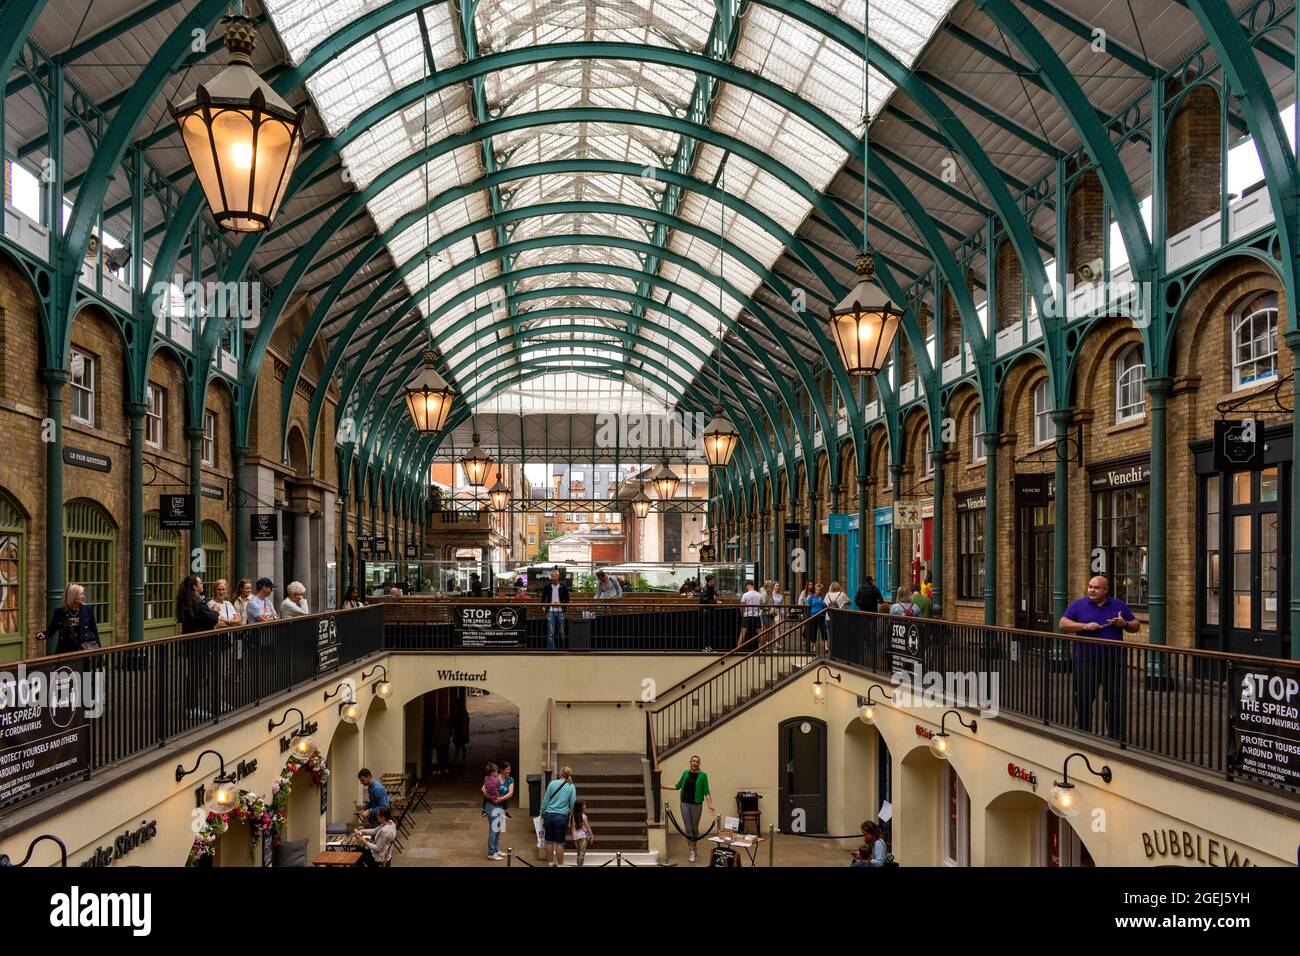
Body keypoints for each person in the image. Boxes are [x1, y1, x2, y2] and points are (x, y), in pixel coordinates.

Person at [1060, 574, 1137, 741]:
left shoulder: (1118, 605)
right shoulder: (1078, 605)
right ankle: (1083, 732)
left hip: (1113, 662)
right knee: (1083, 699)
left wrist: (1124, 624)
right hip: (1085, 662)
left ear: (1106, 590)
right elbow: (1063, 623)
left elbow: (1135, 625)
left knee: (1115, 700)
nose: (1091, 590)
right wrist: (1084, 626)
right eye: (1090, 587)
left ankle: (1116, 737)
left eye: (1096, 587)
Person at [671, 755, 714, 863]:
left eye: (697, 761)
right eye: (693, 761)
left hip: (697, 805)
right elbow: (677, 786)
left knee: (695, 828)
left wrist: (710, 805)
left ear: (699, 764)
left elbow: (706, 791)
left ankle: (694, 846)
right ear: (690, 762)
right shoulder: (685, 773)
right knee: (688, 828)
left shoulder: (703, 776)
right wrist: (662, 786)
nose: (695, 763)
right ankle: (691, 851)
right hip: (684, 804)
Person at [38, 583, 101, 654]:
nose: (83, 596)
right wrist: (43, 634)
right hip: (66, 651)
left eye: (83, 594)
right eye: (80, 594)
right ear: (73, 596)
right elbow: (51, 630)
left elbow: (94, 630)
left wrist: (99, 649)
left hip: (85, 650)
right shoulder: (59, 613)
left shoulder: (87, 610)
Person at [540, 767, 577, 867]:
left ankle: (550, 863)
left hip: (549, 815)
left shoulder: (552, 783)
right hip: (562, 816)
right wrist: (569, 813)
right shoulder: (571, 786)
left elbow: (546, 799)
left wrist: (541, 811)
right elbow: (573, 803)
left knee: (549, 841)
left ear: (561, 773)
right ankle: (560, 864)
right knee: (560, 843)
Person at [481, 761, 505, 860]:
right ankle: (491, 852)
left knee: (497, 829)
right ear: (492, 772)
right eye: (496, 771)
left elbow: (484, 788)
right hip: (493, 807)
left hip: (490, 806)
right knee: (493, 830)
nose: (497, 772)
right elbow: (500, 787)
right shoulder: (496, 780)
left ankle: (495, 849)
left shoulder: (486, 778)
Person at [540, 569, 569, 649]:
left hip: (561, 611)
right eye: (553, 576)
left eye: (555, 576)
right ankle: (551, 651)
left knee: (562, 632)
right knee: (550, 633)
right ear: (551, 577)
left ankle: (562, 649)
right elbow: (543, 597)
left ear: (558, 577)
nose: (554, 578)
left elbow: (567, 599)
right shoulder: (547, 587)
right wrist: (542, 606)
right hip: (550, 611)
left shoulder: (563, 586)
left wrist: (560, 603)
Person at [739, 580, 763, 649]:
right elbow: (761, 606)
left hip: (747, 615)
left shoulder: (745, 595)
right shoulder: (759, 595)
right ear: (753, 586)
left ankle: (738, 648)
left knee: (743, 632)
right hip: (756, 615)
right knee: (759, 632)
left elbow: (742, 606)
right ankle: (762, 648)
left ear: (747, 586)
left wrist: (742, 614)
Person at [805, 583, 827, 653]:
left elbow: (826, 605)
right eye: (817, 589)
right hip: (813, 616)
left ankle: (826, 646)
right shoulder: (811, 597)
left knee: (824, 631)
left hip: (822, 616)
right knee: (813, 631)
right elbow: (807, 605)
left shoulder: (824, 597)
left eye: (819, 589)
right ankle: (813, 646)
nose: (818, 591)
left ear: (821, 590)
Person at [571, 800, 595, 866]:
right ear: (580, 807)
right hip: (583, 836)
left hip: (576, 837)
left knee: (579, 852)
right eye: (584, 804)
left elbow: (572, 827)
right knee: (582, 852)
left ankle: (578, 864)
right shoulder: (583, 816)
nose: (585, 806)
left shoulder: (572, 816)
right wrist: (592, 835)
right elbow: (587, 827)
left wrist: (573, 836)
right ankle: (580, 865)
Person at [698, 573, 718, 652]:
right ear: (709, 581)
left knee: (709, 630)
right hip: (707, 612)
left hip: (708, 611)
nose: (714, 582)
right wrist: (715, 602)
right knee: (707, 630)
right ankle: (706, 647)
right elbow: (705, 600)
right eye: (713, 580)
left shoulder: (709, 588)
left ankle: (708, 646)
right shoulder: (706, 589)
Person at [452, 700, 470, 766]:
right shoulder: (460, 712)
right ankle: (461, 758)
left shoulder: (462, 713)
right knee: (460, 745)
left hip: (460, 732)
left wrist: (463, 732)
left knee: (459, 745)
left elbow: (463, 723)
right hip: (459, 732)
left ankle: (458, 759)